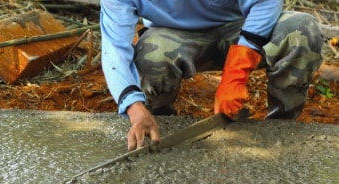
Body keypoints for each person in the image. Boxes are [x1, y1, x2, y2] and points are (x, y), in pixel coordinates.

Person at [100, 0, 324, 150]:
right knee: (151, 55)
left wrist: (236, 72)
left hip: (240, 27)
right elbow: (115, 47)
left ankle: (280, 130)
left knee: (301, 30)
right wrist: (132, 105)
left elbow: (265, 2)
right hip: (173, 35)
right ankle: (159, 129)